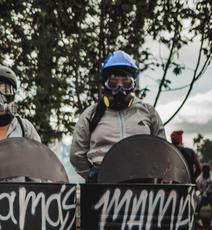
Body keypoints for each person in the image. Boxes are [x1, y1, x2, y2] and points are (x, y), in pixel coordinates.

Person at [69, 50, 166, 182]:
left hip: (142, 185)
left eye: (126, 82)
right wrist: (94, 177)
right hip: (103, 185)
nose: (120, 88)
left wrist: (152, 176)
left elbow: (162, 150)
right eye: (113, 82)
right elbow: (76, 155)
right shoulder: (90, 114)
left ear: (134, 86)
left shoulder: (148, 112)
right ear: (104, 85)